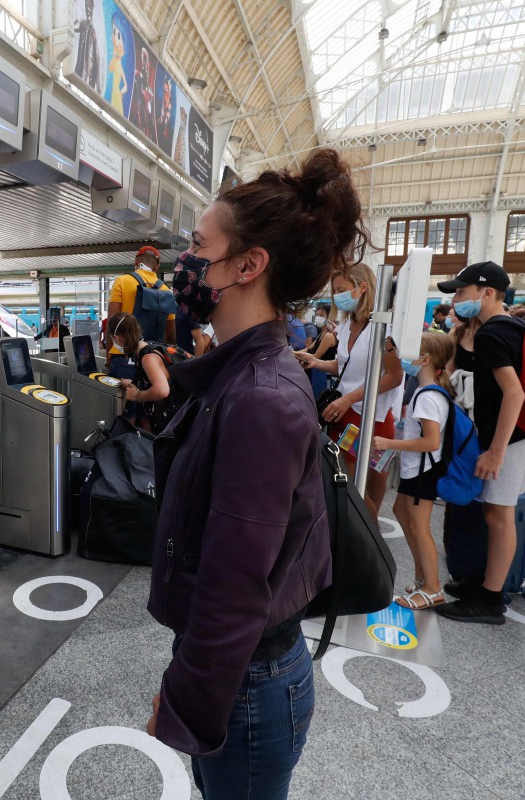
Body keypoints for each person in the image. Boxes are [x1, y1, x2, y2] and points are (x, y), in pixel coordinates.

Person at [146, 148, 366, 797]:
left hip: (245, 688)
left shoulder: (260, 398)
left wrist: (184, 700)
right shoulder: (246, 374)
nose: (184, 262)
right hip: (246, 679)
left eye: (196, 245)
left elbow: (235, 585)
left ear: (248, 264)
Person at [435, 262, 525, 625]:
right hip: (498, 435)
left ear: (486, 292)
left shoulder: (495, 333)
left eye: (461, 292)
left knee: (499, 513)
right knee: (489, 511)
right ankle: (481, 583)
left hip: (509, 438)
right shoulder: (496, 328)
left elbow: (515, 394)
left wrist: (496, 451)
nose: (457, 299)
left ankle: (491, 601)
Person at [295, 261, 404, 520]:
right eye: (335, 291)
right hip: (345, 418)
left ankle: (370, 553)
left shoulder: (385, 329)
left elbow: (394, 377)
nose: (337, 296)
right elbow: (343, 366)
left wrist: (350, 398)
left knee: (362, 501)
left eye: (342, 289)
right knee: (352, 494)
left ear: (362, 287)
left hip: (373, 421)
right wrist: (313, 361)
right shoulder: (346, 326)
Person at [372, 332, 456, 610]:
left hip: (423, 470)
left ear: (426, 359)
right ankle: (423, 579)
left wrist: (389, 443)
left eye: (411, 352)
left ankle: (432, 588)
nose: (404, 357)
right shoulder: (427, 392)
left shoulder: (427, 396)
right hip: (416, 469)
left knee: (420, 527)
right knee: (401, 512)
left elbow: (431, 441)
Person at [105, 246, 176, 376]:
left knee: (121, 396)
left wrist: (109, 355)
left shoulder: (122, 281)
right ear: (157, 266)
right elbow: (171, 335)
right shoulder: (166, 291)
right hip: (153, 358)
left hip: (123, 357)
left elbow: (112, 323)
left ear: (136, 262)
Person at [107, 313, 172, 432]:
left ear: (116, 338)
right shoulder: (147, 348)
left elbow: (162, 390)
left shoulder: (148, 357)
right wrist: (133, 383)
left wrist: (137, 395)